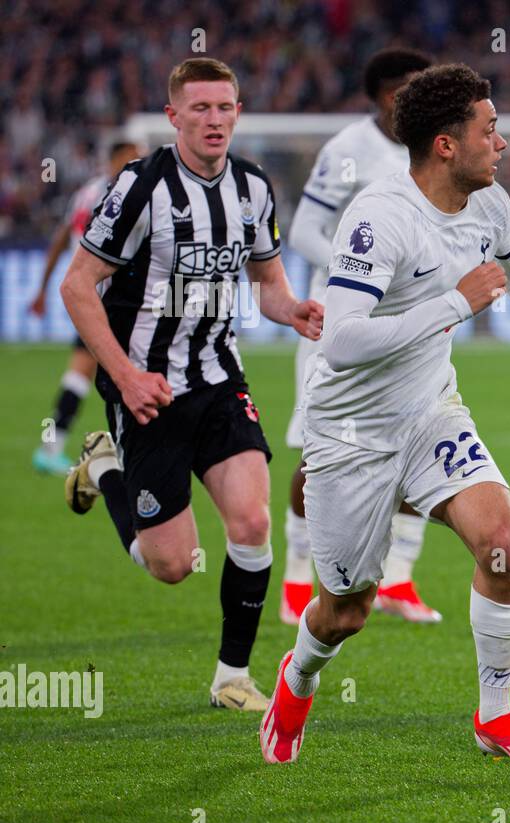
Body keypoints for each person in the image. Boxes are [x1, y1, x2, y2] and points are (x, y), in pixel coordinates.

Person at [260, 64, 510, 775]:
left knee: (501, 543)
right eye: (489, 129)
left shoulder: (489, 205)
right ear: (445, 145)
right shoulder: (380, 218)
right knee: (346, 611)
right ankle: (297, 679)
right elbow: (341, 339)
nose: (503, 141)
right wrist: (456, 304)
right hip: (351, 433)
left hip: (431, 411)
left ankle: (495, 714)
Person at [60, 58, 323, 711]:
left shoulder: (254, 189)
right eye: (200, 109)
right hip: (146, 388)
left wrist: (292, 311)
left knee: (253, 521)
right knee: (172, 565)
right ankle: (105, 465)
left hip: (217, 378)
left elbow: (267, 281)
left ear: (238, 112)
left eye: (224, 107)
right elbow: (77, 285)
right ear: (173, 116)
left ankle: (231, 676)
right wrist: (123, 375)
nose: (214, 120)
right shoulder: (138, 187)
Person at [281, 47, 443, 626]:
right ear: (380, 95)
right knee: (318, 449)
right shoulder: (349, 151)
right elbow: (302, 230)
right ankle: (299, 581)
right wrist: (360, 275)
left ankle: (398, 576)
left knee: (418, 441)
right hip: (345, 320)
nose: (411, 99)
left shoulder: (437, 147)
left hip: (415, 327)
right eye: (403, 89)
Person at [30, 141, 142, 473]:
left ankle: (51, 446)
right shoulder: (115, 193)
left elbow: (62, 238)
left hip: (88, 295)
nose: (136, 164)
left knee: (83, 371)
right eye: (130, 158)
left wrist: (41, 288)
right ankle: (120, 452)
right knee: (128, 370)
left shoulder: (85, 193)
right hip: (109, 297)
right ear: (114, 160)